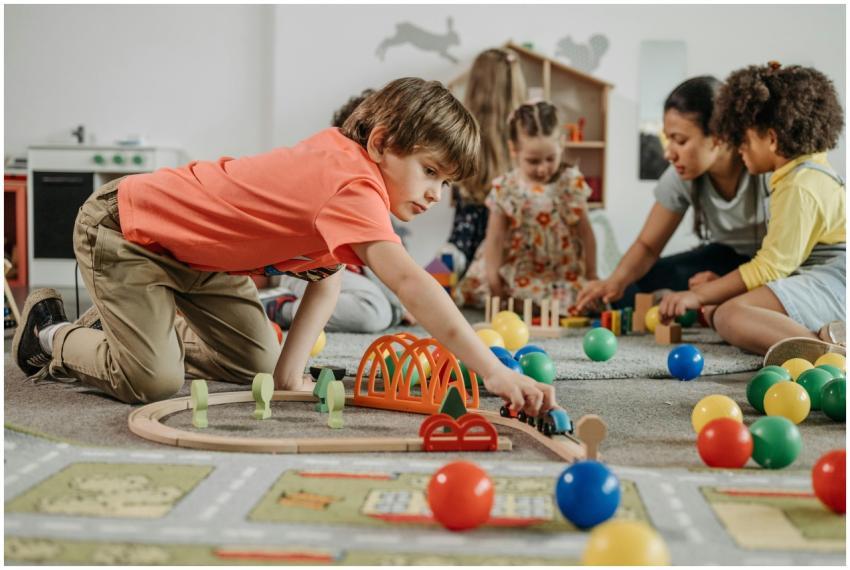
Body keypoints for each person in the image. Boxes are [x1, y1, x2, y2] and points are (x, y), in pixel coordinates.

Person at [12, 77, 557, 416]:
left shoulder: (349, 185)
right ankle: (51, 333)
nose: (436, 194)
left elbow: (326, 280)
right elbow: (411, 283)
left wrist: (286, 378)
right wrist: (494, 372)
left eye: (446, 184)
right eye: (430, 172)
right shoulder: (351, 181)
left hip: (203, 263)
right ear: (382, 143)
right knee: (153, 382)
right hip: (128, 230)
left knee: (256, 366)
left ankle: (140, 329)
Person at [659, 62, 845, 361]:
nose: (738, 149)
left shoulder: (800, 185)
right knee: (726, 308)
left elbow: (771, 267)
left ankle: (830, 354)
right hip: (820, 279)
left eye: (743, 141)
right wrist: (717, 289)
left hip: (836, 283)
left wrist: (697, 295)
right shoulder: (803, 174)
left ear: (772, 138)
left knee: (729, 315)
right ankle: (823, 338)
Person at [576, 76, 770, 314]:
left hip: (775, 266)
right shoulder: (680, 176)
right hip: (728, 257)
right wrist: (613, 282)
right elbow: (647, 246)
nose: (668, 153)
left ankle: (722, 300)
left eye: (680, 140)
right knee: (632, 286)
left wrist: (718, 286)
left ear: (719, 136)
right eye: (667, 139)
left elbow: (781, 262)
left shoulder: (763, 168)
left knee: (744, 298)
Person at [261, 88, 415, 333]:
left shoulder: (382, 203)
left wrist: (403, 302)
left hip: (350, 279)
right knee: (375, 310)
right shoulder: (337, 190)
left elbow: (392, 266)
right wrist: (400, 303)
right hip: (307, 271)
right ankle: (278, 307)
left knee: (381, 305)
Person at [455, 101, 597, 313]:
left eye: (550, 159)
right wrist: (494, 282)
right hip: (520, 269)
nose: (542, 169)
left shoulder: (570, 182)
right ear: (514, 149)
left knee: (584, 300)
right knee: (497, 296)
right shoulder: (506, 187)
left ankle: (536, 305)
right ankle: (522, 303)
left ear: (562, 144)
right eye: (533, 161)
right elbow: (494, 239)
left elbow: (586, 233)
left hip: (560, 271)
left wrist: (592, 275)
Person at [441, 48, 527, 277]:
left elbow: (461, 240)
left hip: (472, 261)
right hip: (515, 264)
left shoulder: (463, 141)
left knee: (446, 262)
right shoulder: (528, 142)